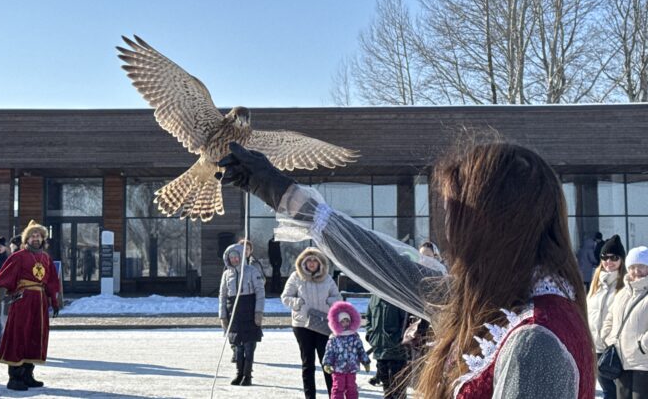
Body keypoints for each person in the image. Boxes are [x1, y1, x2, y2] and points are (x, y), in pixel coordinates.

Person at [219, 140, 594, 398]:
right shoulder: (500, 302)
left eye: (455, 218)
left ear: (490, 228)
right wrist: (281, 192)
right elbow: (387, 265)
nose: (447, 234)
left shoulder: (535, 341)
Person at [0, 220, 61, 391]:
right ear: (26, 239)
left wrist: (54, 301)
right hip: (22, 302)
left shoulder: (46, 258)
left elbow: (52, 282)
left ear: (43, 238)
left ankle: (27, 375)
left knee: (35, 337)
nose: (36, 238)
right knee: (19, 336)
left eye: (38, 236)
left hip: (40, 303)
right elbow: (3, 279)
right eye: (32, 236)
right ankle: (14, 378)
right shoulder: (18, 256)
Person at [281, 247, 342, 398]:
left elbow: (338, 297)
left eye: (315, 260)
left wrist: (329, 301)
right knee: (308, 363)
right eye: (309, 260)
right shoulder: (296, 277)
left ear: (320, 262)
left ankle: (333, 395)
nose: (312, 263)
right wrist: (298, 303)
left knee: (327, 363)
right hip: (303, 326)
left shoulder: (327, 278)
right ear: (303, 262)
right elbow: (285, 297)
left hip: (323, 325)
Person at [601, 246, 648, 399]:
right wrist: (607, 338)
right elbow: (610, 317)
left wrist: (644, 345)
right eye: (633, 267)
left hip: (645, 363)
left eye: (641, 267)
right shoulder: (623, 293)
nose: (636, 272)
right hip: (621, 361)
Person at [218, 243, 265, 386]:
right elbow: (222, 295)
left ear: (241, 256)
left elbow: (260, 292)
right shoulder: (227, 274)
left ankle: (247, 375)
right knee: (237, 345)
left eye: (236, 257)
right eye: (231, 257)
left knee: (249, 346)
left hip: (249, 310)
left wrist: (258, 312)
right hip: (234, 312)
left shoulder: (252, 271)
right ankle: (239, 373)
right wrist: (223, 315)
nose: (234, 260)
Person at [587, 234, 627, 399]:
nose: (608, 262)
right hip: (595, 346)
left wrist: (610, 340)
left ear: (621, 260)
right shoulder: (596, 283)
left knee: (618, 392)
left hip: (614, 349)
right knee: (607, 391)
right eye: (604, 257)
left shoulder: (625, 283)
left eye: (614, 257)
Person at [322, 300, 371, 399]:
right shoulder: (334, 338)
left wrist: (365, 361)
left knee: (352, 388)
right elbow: (329, 352)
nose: (345, 323)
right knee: (338, 388)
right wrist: (327, 363)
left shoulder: (354, 336)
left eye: (347, 320)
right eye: (342, 321)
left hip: (351, 368)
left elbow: (360, 350)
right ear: (338, 322)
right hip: (338, 369)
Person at [364, 295, 409, 398]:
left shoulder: (396, 295)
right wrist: (370, 335)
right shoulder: (374, 297)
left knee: (399, 387)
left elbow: (405, 320)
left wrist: (398, 338)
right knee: (386, 385)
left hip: (397, 351)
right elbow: (369, 317)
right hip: (379, 350)